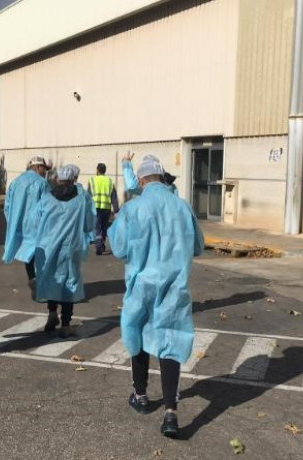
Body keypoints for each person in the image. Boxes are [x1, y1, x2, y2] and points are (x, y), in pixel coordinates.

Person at [108, 155, 200, 438]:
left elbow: (119, 248)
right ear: (162, 177)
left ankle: (141, 395)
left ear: (142, 179)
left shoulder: (132, 208)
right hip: (174, 285)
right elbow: (197, 246)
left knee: (138, 334)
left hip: (142, 284)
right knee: (170, 339)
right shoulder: (182, 207)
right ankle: (171, 413)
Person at [32, 165, 94, 338]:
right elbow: (89, 224)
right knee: (69, 282)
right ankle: (66, 324)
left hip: (49, 246)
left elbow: (35, 221)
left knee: (52, 278)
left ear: (58, 179)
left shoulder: (46, 198)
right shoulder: (83, 199)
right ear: (74, 179)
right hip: (70, 247)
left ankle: (52, 313)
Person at [3, 156, 51, 298]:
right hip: (38, 227)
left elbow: (7, 207)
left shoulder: (15, 183)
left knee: (28, 256)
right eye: (44, 169)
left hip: (21, 227)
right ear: (37, 167)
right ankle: (40, 284)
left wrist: (13, 223)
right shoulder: (42, 184)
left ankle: (32, 279)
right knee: (41, 256)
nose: (45, 172)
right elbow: (48, 206)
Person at [87, 163, 119, 255]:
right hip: (106, 208)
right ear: (105, 170)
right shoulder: (109, 181)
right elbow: (114, 196)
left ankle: (99, 245)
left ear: (97, 170)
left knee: (97, 226)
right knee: (104, 226)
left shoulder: (92, 180)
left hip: (95, 208)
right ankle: (102, 243)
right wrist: (116, 209)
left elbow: (88, 195)